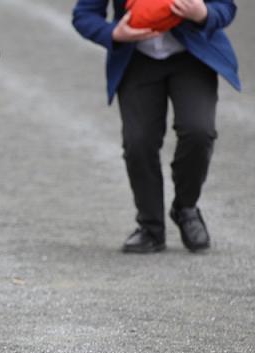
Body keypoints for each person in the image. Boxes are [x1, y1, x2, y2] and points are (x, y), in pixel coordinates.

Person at [72, 0, 239, 254]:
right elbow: (84, 15)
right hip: (137, 59)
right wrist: (113, 33)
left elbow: (226, 6)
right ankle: (150, 226)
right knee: (138, 142)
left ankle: (186, 208)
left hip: (191, 56)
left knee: (198, 131)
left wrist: (203, 13)